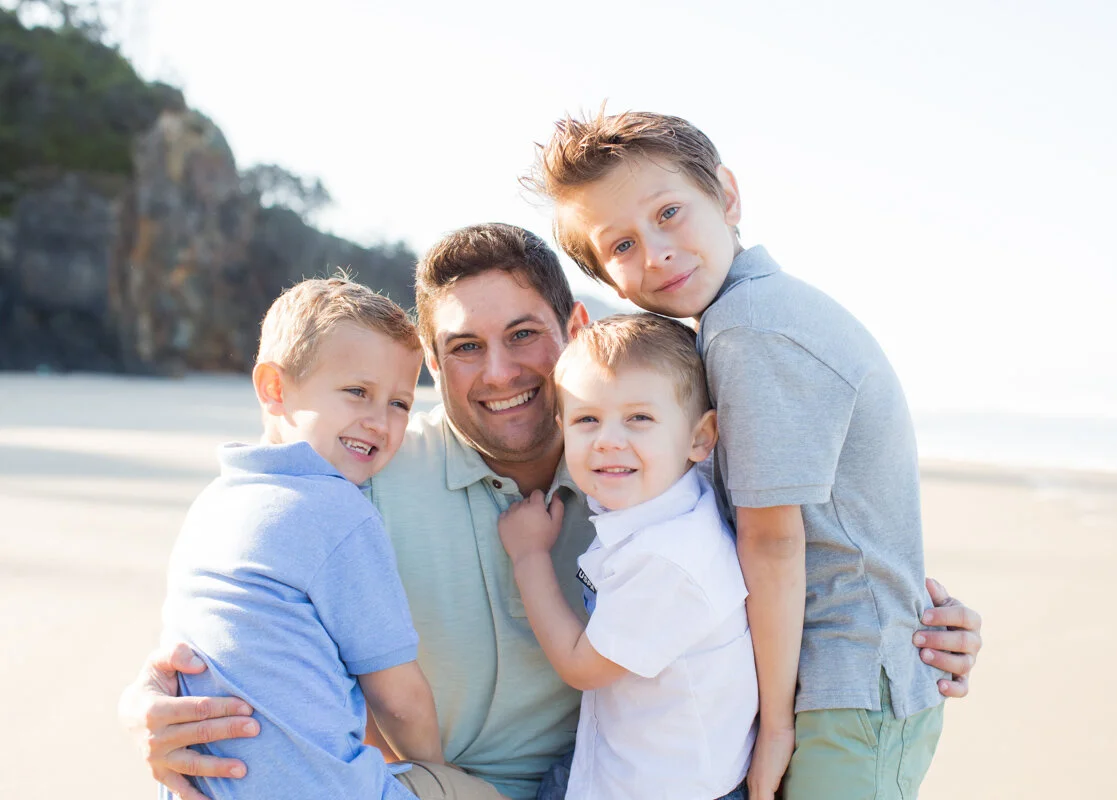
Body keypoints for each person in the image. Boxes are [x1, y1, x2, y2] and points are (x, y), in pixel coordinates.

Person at [119, 224, 984, 800]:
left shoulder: (662, 463)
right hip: (442, 785)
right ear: (431, 361)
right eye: (464, 347)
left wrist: (930, 623)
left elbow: (795, 558)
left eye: (523, 334)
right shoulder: (367, 470)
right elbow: (240, 587)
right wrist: (146, 704)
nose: (499, 371)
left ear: (573, 324)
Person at [526, 110, 955, 800]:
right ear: (606, 278)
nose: (657, 251)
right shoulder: (746, 317)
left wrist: (777, 724)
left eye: (670, 212)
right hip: (841, 674)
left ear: (727, 195)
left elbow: (774, 539)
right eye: (623, 245)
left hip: (841, 687)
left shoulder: (749, 327)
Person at [157, 275, 504, 800]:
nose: (380, 422)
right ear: (275, 389)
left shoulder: (213, 504)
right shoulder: (337, 511)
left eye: (400, 404)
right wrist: (439, 774)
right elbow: (398, 696)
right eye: (357, 392)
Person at [498, 314, 757, 800]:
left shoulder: (671, 559)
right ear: (562, 431)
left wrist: (529, 557)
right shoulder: (670, 500)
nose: (609, 439)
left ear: (700, 439)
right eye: (586, 419)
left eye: (639, 418)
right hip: (621, 763)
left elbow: (581, 667)